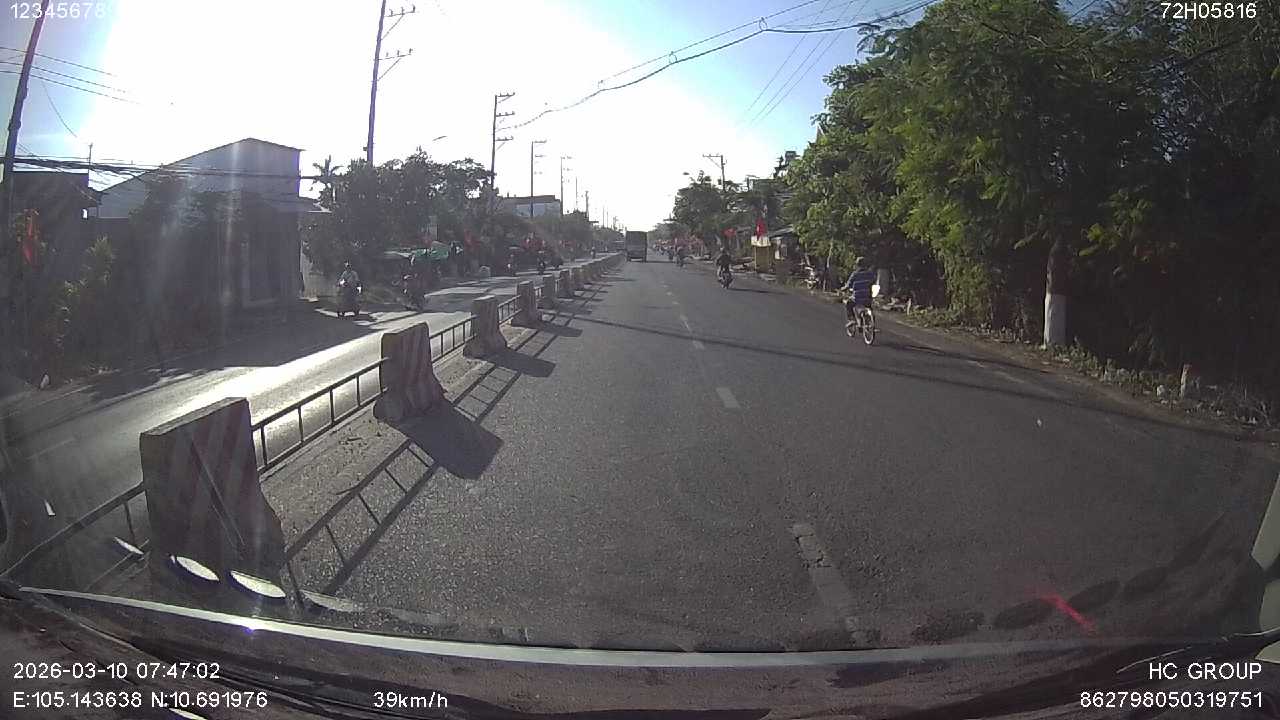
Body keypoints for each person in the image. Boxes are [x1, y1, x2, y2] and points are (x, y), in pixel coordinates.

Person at [842, 257, 877, 334]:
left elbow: (848, 285)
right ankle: (871, 323)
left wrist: (843, 288)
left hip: (857, 298)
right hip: (868, 297)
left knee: (848, 304)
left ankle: (852, 320)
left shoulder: (855, 274)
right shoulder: (870, 274)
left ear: (857, 265)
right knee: (869, 307)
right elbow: (874, 281)